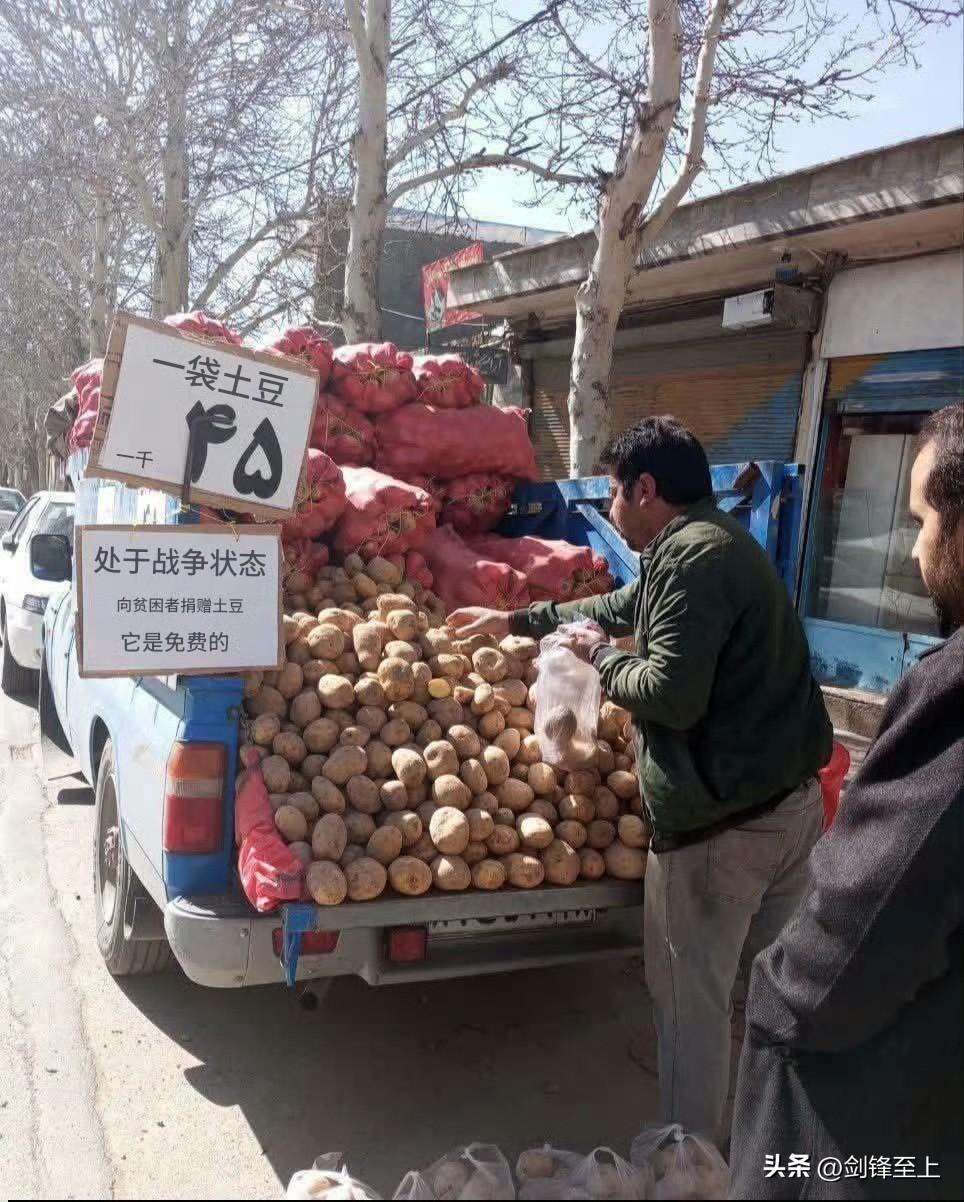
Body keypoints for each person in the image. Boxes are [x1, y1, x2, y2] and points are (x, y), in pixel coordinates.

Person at [449, 416, 833, 1144]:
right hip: (788, 811)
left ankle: (689, 1167)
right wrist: (516, 623)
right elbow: (619, 608)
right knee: (768, 995)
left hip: (725, 829)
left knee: (692, 1004)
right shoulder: (711, 544)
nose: (613, 510)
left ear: (644, 490)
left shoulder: (692, 560)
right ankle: (766, 1145)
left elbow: (670, 695)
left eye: (615, 495)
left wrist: (599, 659)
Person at [729, 402, 964, 1201]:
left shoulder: (954, 695)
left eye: (925, 518)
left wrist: (776, 998)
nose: (917, 545)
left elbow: (860, 928)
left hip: (899, 1123)